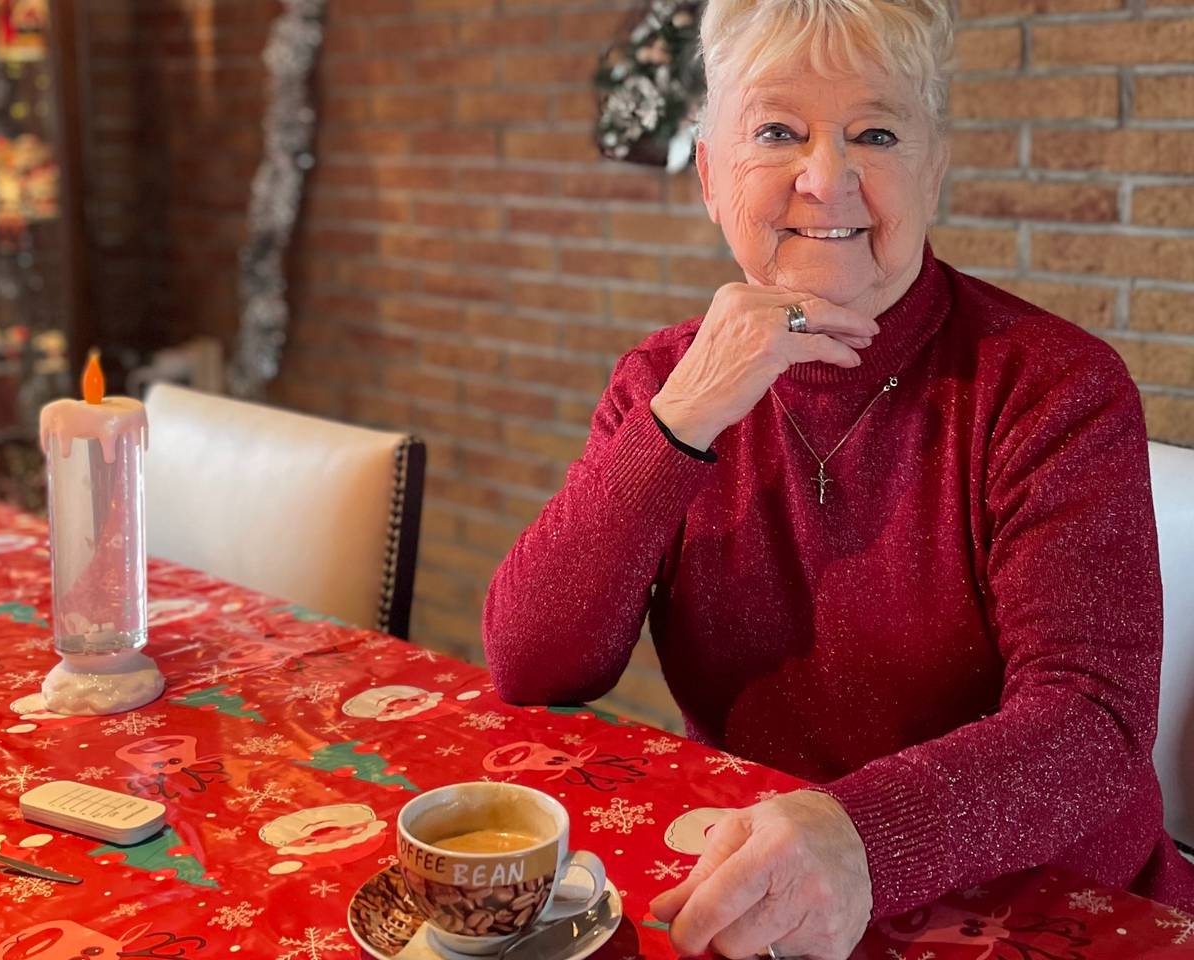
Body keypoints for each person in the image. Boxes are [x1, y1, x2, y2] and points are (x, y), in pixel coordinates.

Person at [481, 0, 1194, 956]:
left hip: (1043, 907)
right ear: (708, 177)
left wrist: (857, 835)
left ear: (933, 167)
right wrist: (680, 424)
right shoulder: (663, 382)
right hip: (760, 901)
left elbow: (1092, 729)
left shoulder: (1053, 386)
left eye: (876, 132)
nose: (827, 178)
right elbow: (532, 662)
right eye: (779, 130)